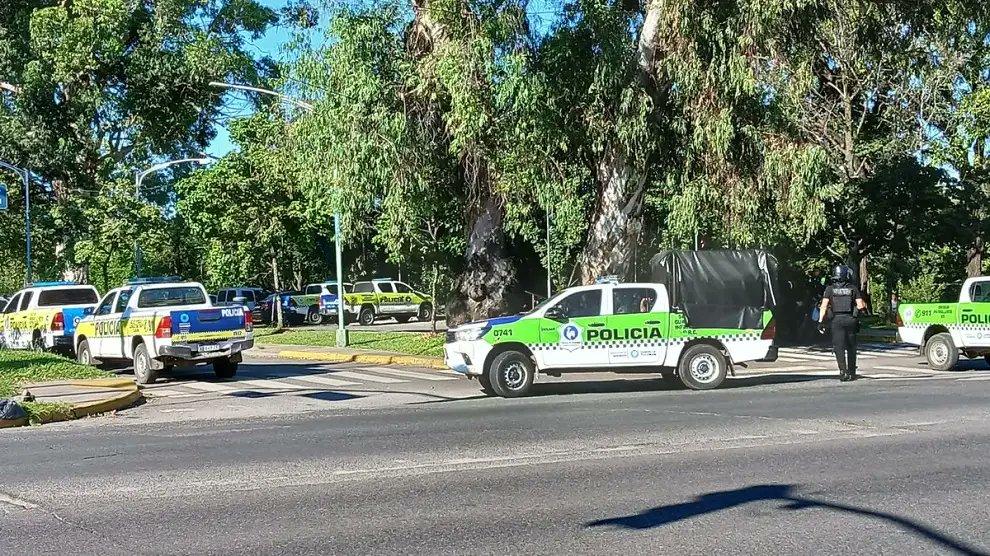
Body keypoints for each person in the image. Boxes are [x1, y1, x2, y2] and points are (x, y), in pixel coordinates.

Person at [818, 265, 867, 382]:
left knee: (838, 347)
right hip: (851, 320)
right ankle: (852, 372)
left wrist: (820, 321)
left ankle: (842, 371)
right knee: (851, 347)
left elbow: (823, 306)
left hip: (836, 321)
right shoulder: (853, 289)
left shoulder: (829, 289)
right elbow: (860, 306)